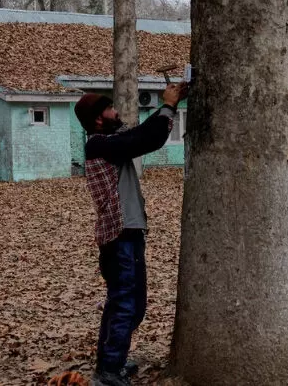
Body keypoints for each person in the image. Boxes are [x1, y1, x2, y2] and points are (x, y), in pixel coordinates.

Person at [74, 82, 187, 386]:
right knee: (126, 304)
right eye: (110, 109)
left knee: (126, 304)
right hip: (120, 237)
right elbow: (147, 139)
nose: (116, 112)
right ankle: (109, 371)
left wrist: (169, 104)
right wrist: (168, 106)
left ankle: (111, 363)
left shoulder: (109, 141)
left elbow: (139, 134)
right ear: (99, 119)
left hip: (124, 236)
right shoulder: (99, 144)